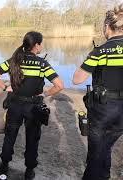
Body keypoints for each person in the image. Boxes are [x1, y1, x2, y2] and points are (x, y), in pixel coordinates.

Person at [0, 31, 64, 179]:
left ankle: (4, 166)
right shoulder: (42, 63)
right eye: (41, 43)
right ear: (36, 45)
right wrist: (45, 94)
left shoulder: (14, 60)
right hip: (33, 108)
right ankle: (29, 171)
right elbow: (59, 85)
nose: (42, 46)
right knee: (32, 139)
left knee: (9, 136)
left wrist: (5, 87)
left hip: (14, 104)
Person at [73, 4, 123, 180]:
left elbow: (77, 79)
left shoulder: (100, 51)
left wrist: (90, 61)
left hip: (103, 111)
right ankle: (105, 176)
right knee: (107, 146)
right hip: (121, 115)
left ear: (107, 27)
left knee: (95, 154)